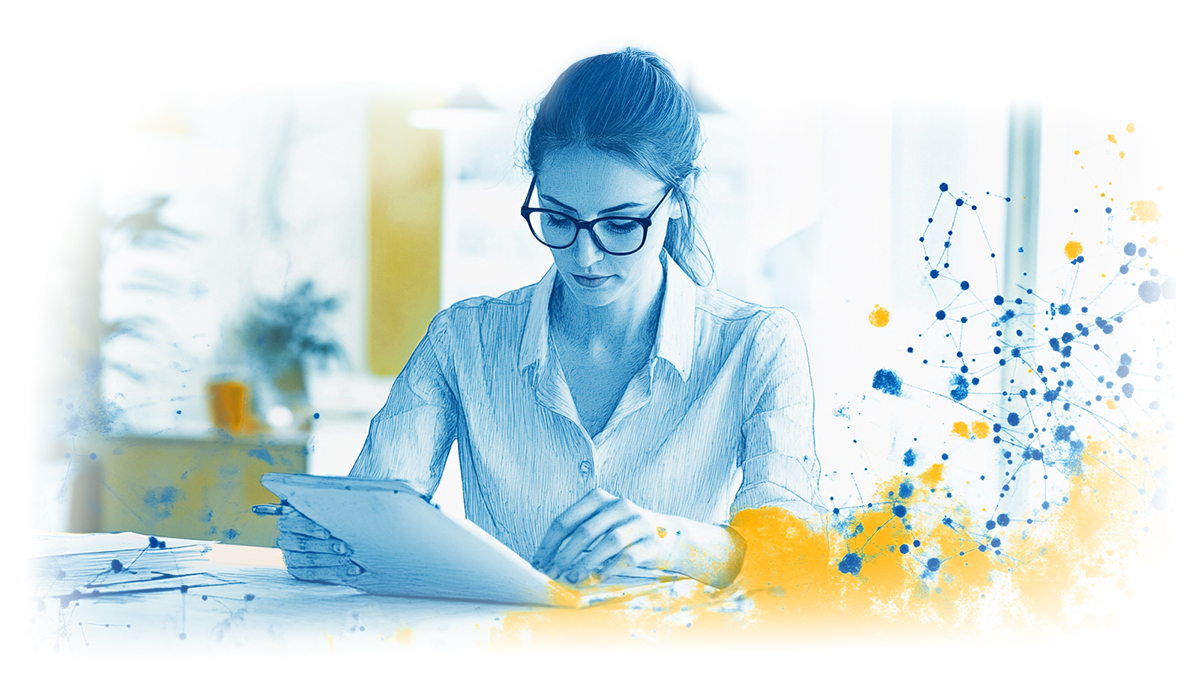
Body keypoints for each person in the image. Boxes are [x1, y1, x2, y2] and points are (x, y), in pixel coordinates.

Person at [277, 48, 821, 590]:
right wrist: (329, 547)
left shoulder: (757, 345)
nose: (585, 256)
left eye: (622, 224)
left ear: (680, 196)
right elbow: (378, 520)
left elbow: (794, 563)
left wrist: (668, 541)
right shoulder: (464, 340)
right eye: (558, 217)